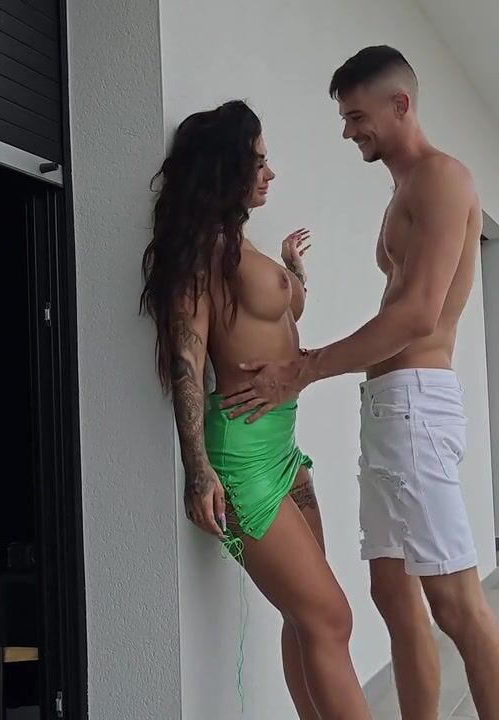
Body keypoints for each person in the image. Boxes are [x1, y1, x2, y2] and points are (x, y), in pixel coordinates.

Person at [223, 47, 499, 719]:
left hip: (417, 408)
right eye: (344, 117)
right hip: (390, 410)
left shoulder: (441, 178)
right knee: (393, 595)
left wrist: (302, 369)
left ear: (400, 105)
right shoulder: (405, 189)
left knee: (457, 604)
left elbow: (417, 314)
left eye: (357, 116)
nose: (348, 131)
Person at [140, 100, 371, 720]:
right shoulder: (202, 252)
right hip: (242, 456)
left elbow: (283, 319)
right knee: (330, 618)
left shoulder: (242, 247)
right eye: (259, 161)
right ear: (226, 168)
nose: (269, 173)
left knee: (306, 620)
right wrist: (198, 470)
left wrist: (294, 273)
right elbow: (188, 359)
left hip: (284, 447)